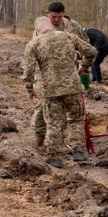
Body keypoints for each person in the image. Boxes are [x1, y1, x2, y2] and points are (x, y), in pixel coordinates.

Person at [22, 16, 96, 168]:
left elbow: (28, 70)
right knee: (76, 119)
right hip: (72, 88)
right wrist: (85, 67)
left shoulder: (33, 44)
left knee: (54, 123)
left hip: (50, 90)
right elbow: (91, 51)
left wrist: (30, 89)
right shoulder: (69, 36)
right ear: (51, 26)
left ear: (37, 29)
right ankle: (78, 152)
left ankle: (55, 157)